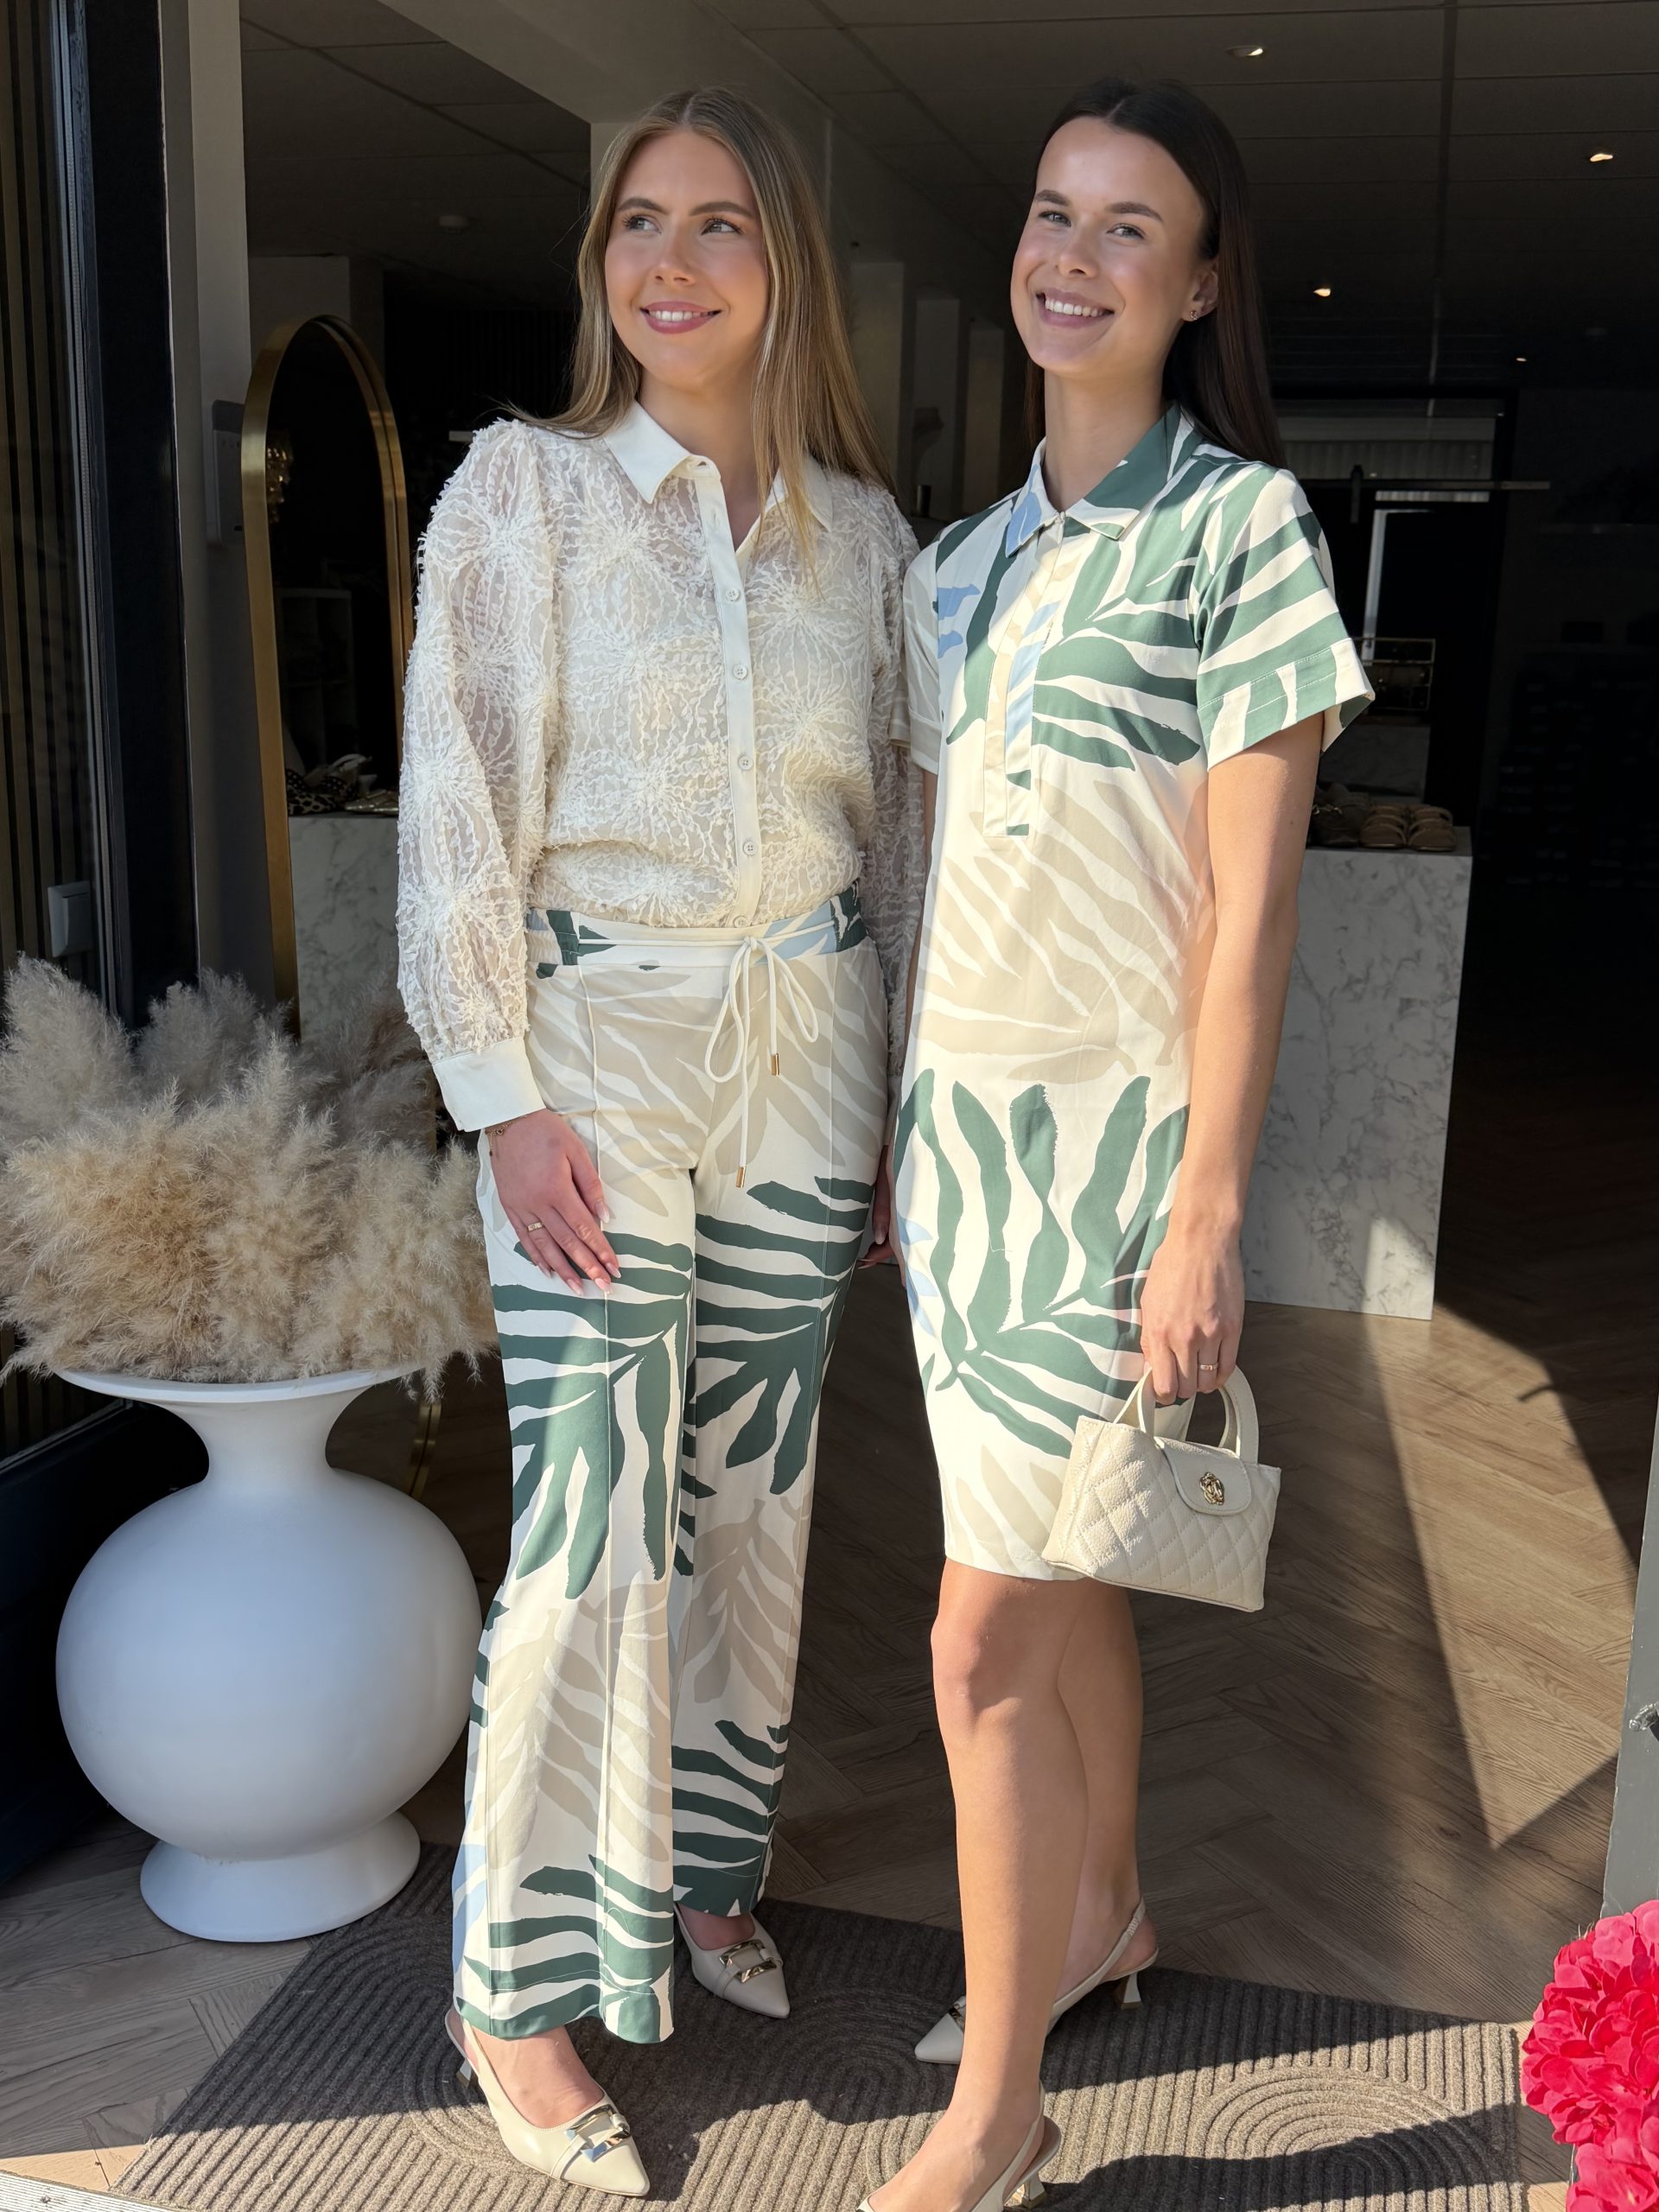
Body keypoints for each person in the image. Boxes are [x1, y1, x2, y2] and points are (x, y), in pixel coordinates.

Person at [396, 85, 921, 2198]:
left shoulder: (865, 539)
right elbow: (455, 804)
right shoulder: (520, 493)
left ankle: (698, 1875)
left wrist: (903, 1107)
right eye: (639, 221)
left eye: (719, 224)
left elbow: (909, 832)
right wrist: (500, 1094)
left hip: (809, 1043)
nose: (671, 263)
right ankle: (512, 1986)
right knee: (593, 1515)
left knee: (758, 1502)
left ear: (787, 266)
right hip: (594, 1048)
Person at [874, 76, 1372, 2212]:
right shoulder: (955, 567)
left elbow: (1252, 918)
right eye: (1051, 212)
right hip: (959, 1159)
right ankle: (1100, 1915)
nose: (1070, 257)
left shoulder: (1242, 532)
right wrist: (897, 1144)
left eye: (1127, 227)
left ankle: (997, 2114)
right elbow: (935, 886)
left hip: (1110, 1170)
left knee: (980, 1636)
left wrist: (1207, 1209)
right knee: (1064, 1577)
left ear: (1199, 282)